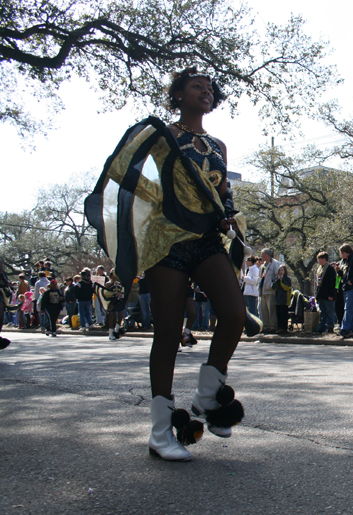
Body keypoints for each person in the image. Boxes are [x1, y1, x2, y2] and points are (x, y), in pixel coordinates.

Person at [84, 67, 250, 462]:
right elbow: (129, 173)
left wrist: (227, 213)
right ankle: (161, 433)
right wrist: (159, 205)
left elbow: (222, 191)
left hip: (207, 238)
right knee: (168, 334)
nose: (205, 92)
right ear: (177, 95)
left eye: (210, 88)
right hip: (168, 241)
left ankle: (207, 395)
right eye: (196, 86)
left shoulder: (219, 145)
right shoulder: (163, 136)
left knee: (234, 315)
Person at [334, 244, 353, 337]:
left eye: (342, 253)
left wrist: (352, 280)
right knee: (351, 308)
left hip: (352, 287)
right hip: (346, 287)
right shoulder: (345, 262)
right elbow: (344, 275)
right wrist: (338, 271)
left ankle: (345, 328)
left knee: (348, 308)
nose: (341, 255)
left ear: (347, 252)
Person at [313, 252, 337, 333]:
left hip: (328, 295)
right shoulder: (319, 269)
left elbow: (333, 283)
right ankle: (321, 328)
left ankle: (330, 327)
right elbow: (317, 283)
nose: (318, 260)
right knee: (322, 312)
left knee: (329, 311)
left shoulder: (330, 269)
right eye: (318, 259)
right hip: (320, 295)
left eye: (320, 259)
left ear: (324, 259)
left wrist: (331, 294)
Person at [258, 248, 280, 333]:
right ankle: (266, 326)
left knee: (271, 310)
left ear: (267, 255)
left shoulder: (275, 264)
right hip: (262, 290)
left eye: (262, 255)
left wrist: (272, 285)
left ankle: (273, 326)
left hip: (271, 291)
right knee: (264, 310)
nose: (261, 256)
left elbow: (277, 277)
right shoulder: (263, 265)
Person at [273, 264, 293, 333]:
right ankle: (279, 327)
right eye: (279, 270)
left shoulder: (287, 279)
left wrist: (282, 280)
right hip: (277, 299)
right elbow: (273, 286)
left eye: (282, 270)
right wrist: (278, 280)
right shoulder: (276, 278)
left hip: (284, 300)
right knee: (278, 315)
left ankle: (284, 328)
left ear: (285, 271)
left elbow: (287, 287)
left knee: (283, 315)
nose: (280, 272)